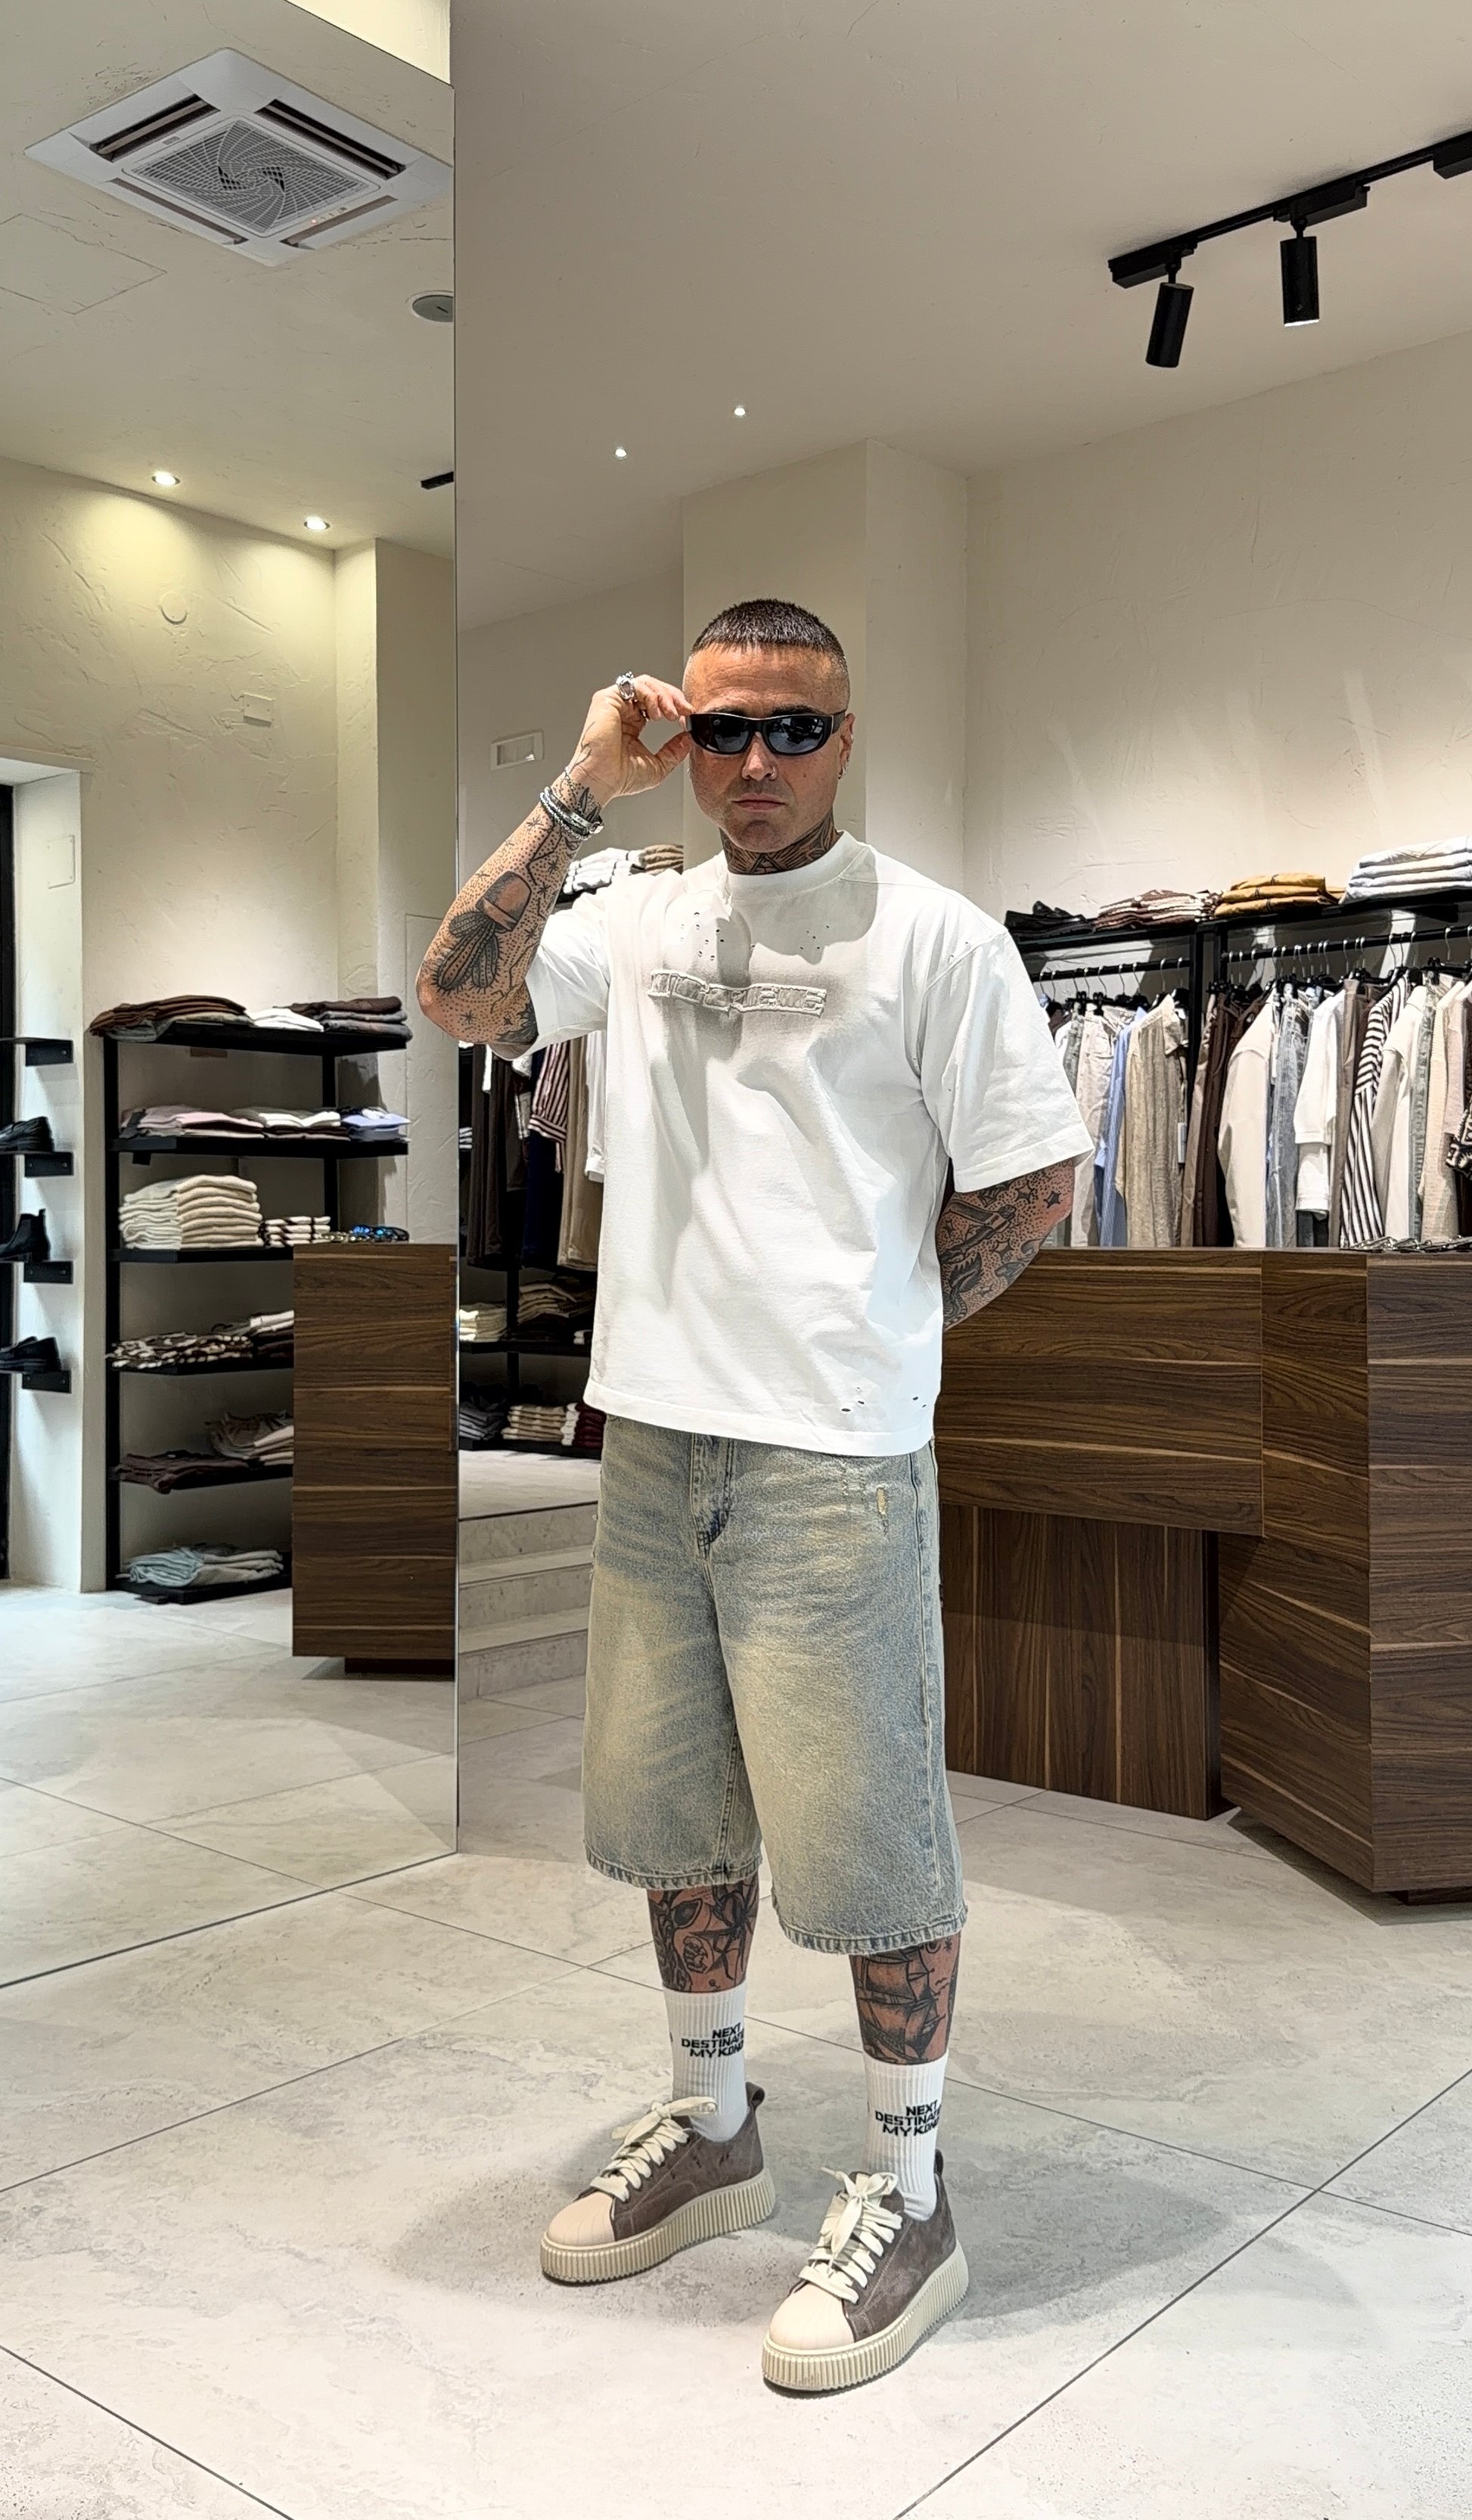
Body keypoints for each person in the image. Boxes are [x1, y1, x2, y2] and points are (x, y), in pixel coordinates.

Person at [418, 598, 1089, 2393]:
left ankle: (914, 2191)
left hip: (832, 1458)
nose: (758, 759)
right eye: (722, 727)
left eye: (795, 726)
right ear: (681, 738)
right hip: (651, 1441)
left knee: (871, 1840)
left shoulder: (933, 934)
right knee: (675, 1813)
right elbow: (457, 994)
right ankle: (715, 2125)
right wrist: (578, 785)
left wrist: (881, 1319)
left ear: (844, 738)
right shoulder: (633, 918)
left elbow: (1033, 1177)